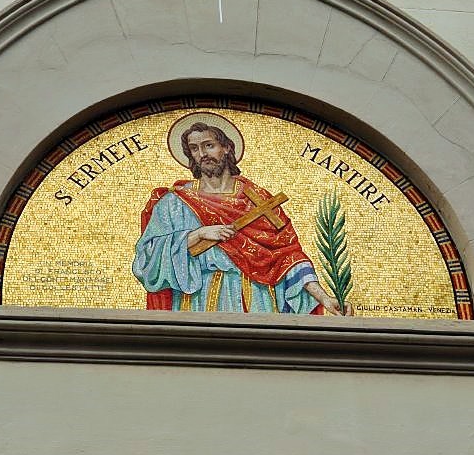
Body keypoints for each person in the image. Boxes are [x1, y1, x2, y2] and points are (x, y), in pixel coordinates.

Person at [132, 112, 351, 315]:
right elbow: (147, 258)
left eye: (209, 145)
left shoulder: (258, 200)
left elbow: (287, 255)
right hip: (199, 299)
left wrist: (323, 297)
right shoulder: (174, 202)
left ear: (227, 147)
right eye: (194, 149)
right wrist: (199, 234)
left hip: (258, 298)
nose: (203, 154)